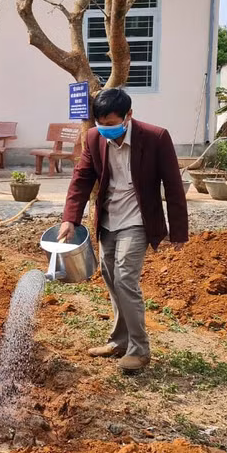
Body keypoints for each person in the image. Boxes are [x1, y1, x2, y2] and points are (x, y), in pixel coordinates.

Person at [59, 87, 188, 373]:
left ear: (129, 116)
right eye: (101, 124)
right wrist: (71, 218)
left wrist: (178, 232)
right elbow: (81, 178)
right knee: (111, 277)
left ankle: (139, 350)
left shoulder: (155, 137)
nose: (106, 130)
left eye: (112, 124)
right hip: (108, 220)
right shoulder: (93, 138)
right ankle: (119, 341)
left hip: (139, 220)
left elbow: (173, 186)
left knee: (126, 279)